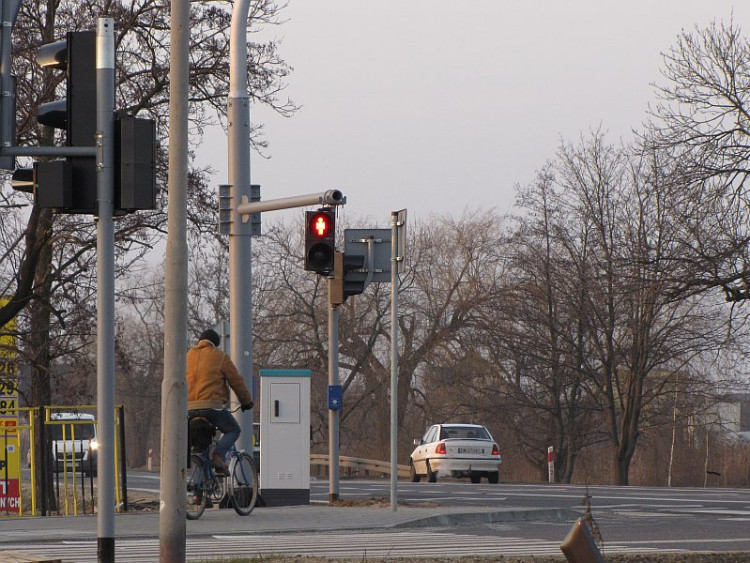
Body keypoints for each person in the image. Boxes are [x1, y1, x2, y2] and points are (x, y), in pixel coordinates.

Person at [187, 328, 253, 473]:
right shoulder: (219, 356)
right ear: (215, 344)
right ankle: (218, 455)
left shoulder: (188, 356)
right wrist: (246, 401)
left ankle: (198, 485)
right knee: (233, 430)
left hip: (189, 409)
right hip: (212, 407)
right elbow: (236, 381)